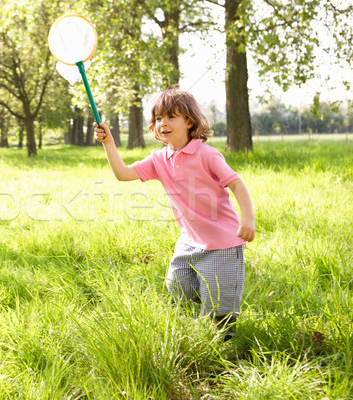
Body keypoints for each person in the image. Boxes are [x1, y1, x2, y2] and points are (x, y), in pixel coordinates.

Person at [94, 88, 255, 341]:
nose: (163, 123)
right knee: (176, 285)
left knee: (220, 314)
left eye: (171, 116)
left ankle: (226, 343)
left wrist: (248, 219)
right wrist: (109, 143)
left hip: (223, 244)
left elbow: (237, 184)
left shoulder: (207, 154)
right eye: (158, 118)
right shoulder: (159, 159)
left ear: (189, 121)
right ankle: (204, 302)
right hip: (189, 242)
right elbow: (123, 174)